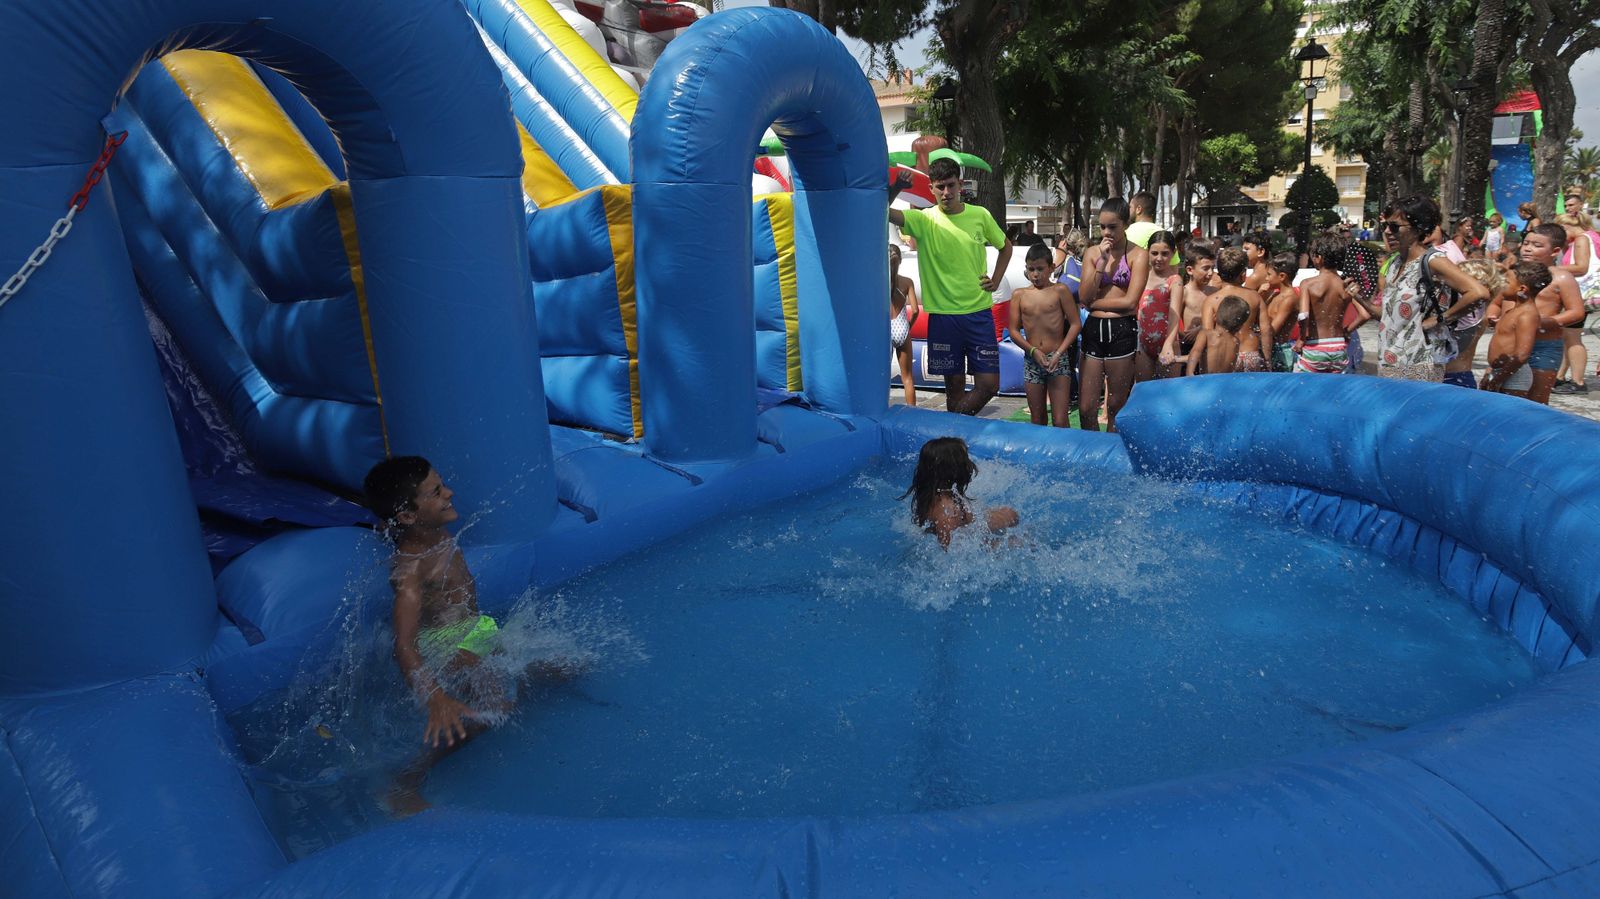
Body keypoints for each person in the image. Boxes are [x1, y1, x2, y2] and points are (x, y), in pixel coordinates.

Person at [364, 457, 546, 816]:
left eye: (442, 484)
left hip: (473, 629)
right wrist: (434, 698)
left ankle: (526, 684)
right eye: (436, 491)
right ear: (408, 516)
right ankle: (401, 785)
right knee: (486, 715)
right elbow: (404, 644)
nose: (449, 493)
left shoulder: (433, 531)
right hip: (447, 646)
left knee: (553, 668)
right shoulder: (410, 569)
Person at [888, 158, 1013, 415]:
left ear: (961, 185)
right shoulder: (923, 220)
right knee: (953, 387)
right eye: (940, 187)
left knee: (989, 385)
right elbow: (881, 211)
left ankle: (952, 426)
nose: (946, 193)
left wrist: (997, 279)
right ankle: (954, 446)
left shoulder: (980, 215)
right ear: (932, 188)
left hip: (979, 314)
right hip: (944, 318)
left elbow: (1006, 247)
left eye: (951, 185)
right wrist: (896, 188)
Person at [1348, 195, 1489, 382]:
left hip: (1420, 364)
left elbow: (1478, 293)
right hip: (1390, 363)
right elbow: (1387, 316)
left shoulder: (1432, 261)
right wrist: (1358, 297)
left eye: (1395, 227)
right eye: (1386, 226)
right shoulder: (1394, 264)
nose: (1388, 232)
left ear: (1418, 228)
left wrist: (1440, 319)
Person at [1076, 197, 1149, 432]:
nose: (1106, 232)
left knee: (1116, 406)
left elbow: (1130, 302)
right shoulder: (1092, 253)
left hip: (1122, 330)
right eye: (1102, 226)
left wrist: (1094, 302)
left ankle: (1110, 456)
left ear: (1125, 225)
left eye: (1112, 227)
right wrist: (1102, 262)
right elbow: (1083, 296)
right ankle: (1091, 456)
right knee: (1086, 408)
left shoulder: (1138, 255)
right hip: (1094, 329)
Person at [1008, 243, 1081, 426]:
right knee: (1037, 417)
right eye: (1031, 269)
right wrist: (1032, 351)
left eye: (1040, 269)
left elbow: (1075, 324)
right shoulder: (1020, 295)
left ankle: (1062, 454)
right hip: (1032, 360)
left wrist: (1059, 352)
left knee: (1060, 419)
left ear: (1051, 268)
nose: (1035, 274)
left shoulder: (1060, 291)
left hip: (1058, 358)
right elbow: (1013, 330)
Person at [901, 437, 1019, 549]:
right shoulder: (947, 512)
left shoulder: (932, 493)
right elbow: (951, 553)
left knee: (1011, 515)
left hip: (968, 528)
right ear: (954, 469)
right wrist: (995, 544)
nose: (970, 464)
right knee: (1017, 539)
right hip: (969, 538)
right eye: (965, 459)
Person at [1518, 223, 1587, 403]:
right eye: (1526, 243)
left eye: (1537, 245)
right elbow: (1498, 302)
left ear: (1555, 251)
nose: (1528, 249)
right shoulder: (1513, 273)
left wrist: (1541, 323)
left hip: (1544, 346)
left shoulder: (1561, 277)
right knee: (1507, 396)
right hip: (1513, 343)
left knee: (1537, 399)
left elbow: (1577, 312)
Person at [1479, 262, 1548, 397]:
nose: (1501, 284)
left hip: (1514, 376)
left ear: (1522, 289)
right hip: (1500, 370)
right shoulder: (1512, 311)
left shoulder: (1527, 315)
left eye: (1506, 281)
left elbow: (1522, 355)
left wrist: (1499, 379)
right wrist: (1490, 371)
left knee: (1507, 413)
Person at [1551, 212, 1599, 394]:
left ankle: (1578, 382)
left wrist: (1550, 268)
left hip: (1583, 294)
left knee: (1572, 337)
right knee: (1567, 335)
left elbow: (1581, 267)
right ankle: (1559, 376)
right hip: (1587, 294)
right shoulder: (1592, 237)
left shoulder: (1581, 239)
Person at [1202, 247, 1269, 371]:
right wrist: (1268, 360)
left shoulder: (1211, 300)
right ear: (1243, 275)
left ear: (1219, 274)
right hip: (1251, 354)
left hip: (1226, 357)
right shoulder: (1255, 296)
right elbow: (1266, 332)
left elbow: (1208, 335)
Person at [1294, 235, 1352, 374]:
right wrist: (1347, 331)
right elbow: (1364, 315)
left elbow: (1303, 316)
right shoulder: (1345, 285)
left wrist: (1301, 339)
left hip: (1315, 346)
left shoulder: (1308, 284)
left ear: (1318, 258)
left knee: (1306, 389)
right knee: (1334, 392)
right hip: (1339, 346)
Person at [1159, 238, 1217, 375]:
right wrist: (1181, 334)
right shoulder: (1184, 292)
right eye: (1205, 268)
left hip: (1208, 345)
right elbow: (1173, 317)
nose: (1210, 273)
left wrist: (1201, 329)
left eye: (1212, 268)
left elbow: (1217, 318)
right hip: (1187, 344)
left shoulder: (1214, 292)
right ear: (1190, 270)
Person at [1134, 230, 1182, 382]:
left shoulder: (1175, 281)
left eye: (1165, 253)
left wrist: (1168, 345)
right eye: (1154, 253)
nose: (1159, 258)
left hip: (1168, 344)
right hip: (1142, 345)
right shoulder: (1140, 278)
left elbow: (1175, 315)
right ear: (1148, 252)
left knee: (1168, 395)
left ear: (1173, 253)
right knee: (1144, 392)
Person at [1181, 294, 1250, 376]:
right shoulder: (1236, 341)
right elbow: (1231, 367)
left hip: (1207, 381)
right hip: (1224, 382)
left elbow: (1195, 352)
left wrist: (1190, 373)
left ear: (1214, 316)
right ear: (1240, 326)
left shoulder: (1206, 334)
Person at [889, 243, 922, 406]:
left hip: (885, 329)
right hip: (902, 327)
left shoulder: (878, 282)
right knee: (907, 377)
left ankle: (881, 410)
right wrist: (909, 326)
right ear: (900, 261)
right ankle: (912, 412)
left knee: (881, 377)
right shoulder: (907, 282)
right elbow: (915, 310)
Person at [1262, 251, 1302, 372]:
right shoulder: (1275, 294)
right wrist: (1260, 296)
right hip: (1270, 346)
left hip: (1280, 350)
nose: (1266, 278)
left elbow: (1273, 329)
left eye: (1269, 275)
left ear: (1282, 276)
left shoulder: (1289, 299)